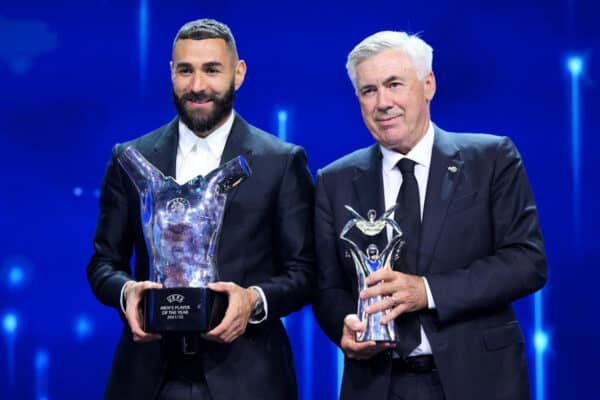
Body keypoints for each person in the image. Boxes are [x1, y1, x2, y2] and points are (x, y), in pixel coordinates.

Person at [87, 18, 314, 400]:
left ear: (238, 73)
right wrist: (128, 294)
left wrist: (253, 300)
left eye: (212, 70)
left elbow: (305, 271)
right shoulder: (130, 159)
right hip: (148, 378)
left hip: (249, 379)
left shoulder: (281, 162)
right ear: (171, 73)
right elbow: (102, 263)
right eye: (185, 70)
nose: (197, 86)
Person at [312, 30, 547, 400]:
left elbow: (526, 262)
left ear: (428, 85)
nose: (382, 102)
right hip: (376, 384)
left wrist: (427, 291)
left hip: (480, 380)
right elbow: (327, 288)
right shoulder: (334, 180)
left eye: (394, 84)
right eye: (368, 91)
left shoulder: (492, 158)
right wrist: (343, 325)